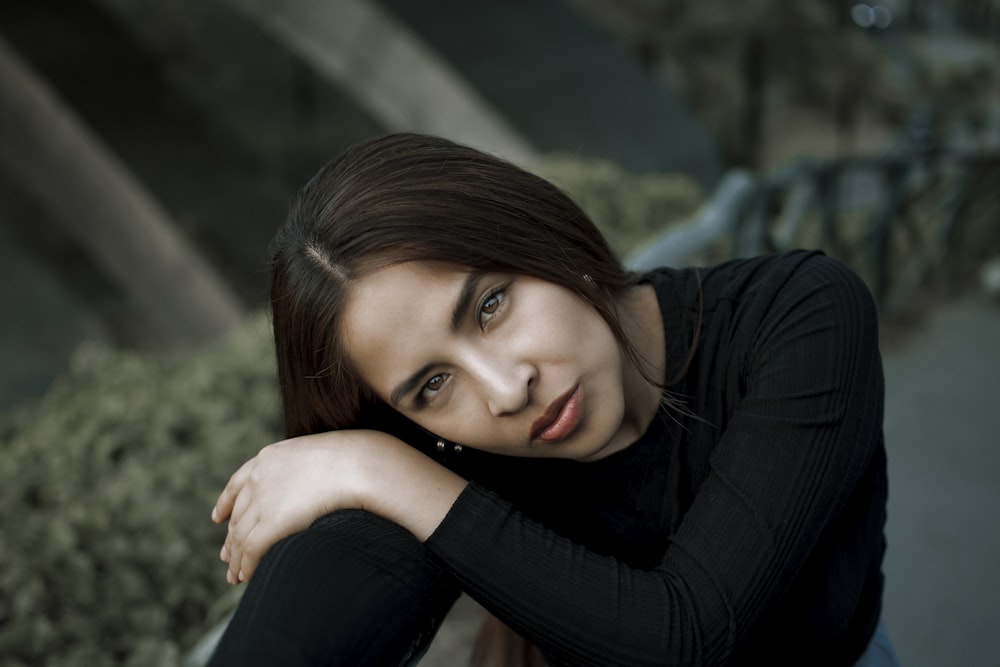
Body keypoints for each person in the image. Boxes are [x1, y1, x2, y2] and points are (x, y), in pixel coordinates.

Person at [208, 133, 898, 666]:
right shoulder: (449, 445)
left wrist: (378, 470)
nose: (508, 390)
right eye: (433, 383)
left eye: (490, 305)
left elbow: (688, 636)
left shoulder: (800, 315)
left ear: (535, 234)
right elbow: (323, 592)